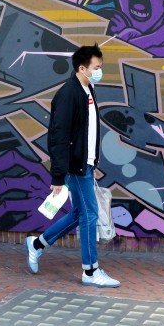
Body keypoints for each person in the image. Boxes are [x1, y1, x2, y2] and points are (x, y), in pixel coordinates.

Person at [24, 45, 119, 287]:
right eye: (96, 68)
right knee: (89, 214)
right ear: (82, 68)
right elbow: (58, 135)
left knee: (80, 213)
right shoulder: (69, 94)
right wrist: (57, 176)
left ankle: (37, 244)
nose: (100, 71)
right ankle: (90, 271)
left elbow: (87, 131)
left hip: (83, 163)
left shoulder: (88, 89)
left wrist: (92, 161)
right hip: (74, 166)